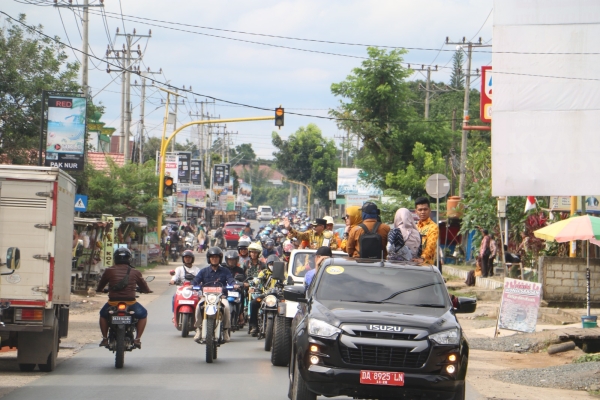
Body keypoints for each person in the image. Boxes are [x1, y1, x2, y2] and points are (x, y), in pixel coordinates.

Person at [96, 247, 153, 348]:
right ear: (129, 259)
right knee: (143, 314)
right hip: (130, 302)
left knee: (103, 315)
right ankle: (137, 339)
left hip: (113, 302)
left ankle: (105, 339)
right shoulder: (135, 272)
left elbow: (101, 285)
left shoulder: (109, 271)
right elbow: (144, 287)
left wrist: (100, 289)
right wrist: (147, 291)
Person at [191, 247, 239, 343]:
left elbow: (230, 280)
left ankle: (225, 330)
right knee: (198, 307)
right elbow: (195, 281)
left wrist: (234, 285)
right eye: (212, 257)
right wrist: (192, 285)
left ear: (220, 259)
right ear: (209, 258)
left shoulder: (225, 271)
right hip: (206, 297)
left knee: (226, 307)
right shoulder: (203, 271)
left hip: (221, 297)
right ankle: (199, 329)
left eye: (216, 257)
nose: (214, 259)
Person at [415, 197, 439, 265]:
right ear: (416, 211)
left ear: (430, 210)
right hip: (413, 263)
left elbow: (431, 246)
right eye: (420, 210)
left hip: (426, 266)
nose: (423, 212)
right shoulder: (415, 227)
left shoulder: (433, 227)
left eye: (425, 209)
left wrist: (422, 258)